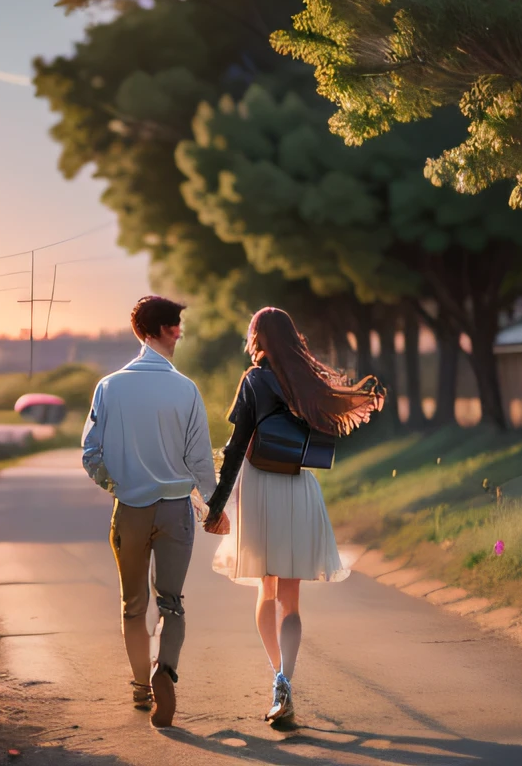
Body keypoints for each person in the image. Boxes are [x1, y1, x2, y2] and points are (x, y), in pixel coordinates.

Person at [201, 307, 384, 726]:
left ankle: (278, 682)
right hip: (300, 490)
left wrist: (215, 505)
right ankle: (287, 677)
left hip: (261, 489)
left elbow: (235, 448)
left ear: (258, 339)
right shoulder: (308, 382)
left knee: (265, 593)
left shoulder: (254, 380)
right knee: (291, 600)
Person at [81, 295, 216, 728]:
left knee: (133, 606)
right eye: (175, 325)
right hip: (176, 510)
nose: (180, 332)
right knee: (172, 603)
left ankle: (141, 687)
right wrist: (214, 507)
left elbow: (90, 454)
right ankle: (166, 671)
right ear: (158, 331)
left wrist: (113, 483)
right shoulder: (187, 389)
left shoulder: (109, 386)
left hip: (131, 509)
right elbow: (199, 460)